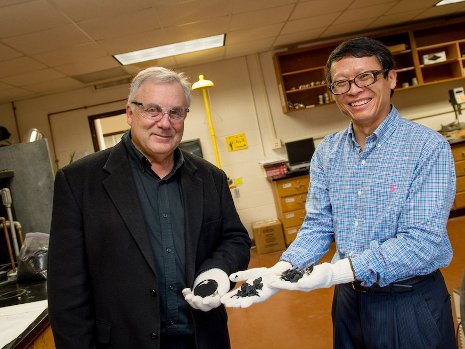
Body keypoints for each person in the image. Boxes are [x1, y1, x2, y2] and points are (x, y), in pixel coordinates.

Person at [222, 37, 457, 348]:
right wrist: (283, 270)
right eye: (341, 83)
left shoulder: (428, 148)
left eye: (365, 76)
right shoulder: (328, 152)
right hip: (348, 301)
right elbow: (318, 226)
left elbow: (422, 242)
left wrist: (338, 271)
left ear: (391, 78)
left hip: (408, 301)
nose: (354, 90)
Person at [48, 66, 251, 349]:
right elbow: (66, 288)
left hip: (202, 339)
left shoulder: (210, 178)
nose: (165, 123)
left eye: (175, 112)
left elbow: (235, 239)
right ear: (130, 113)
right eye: (152, 110)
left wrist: (216, 270)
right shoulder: (79, 181)